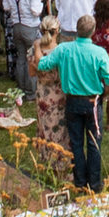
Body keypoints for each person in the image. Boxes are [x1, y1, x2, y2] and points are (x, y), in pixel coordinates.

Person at [37, 13, 109, 191]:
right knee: (94, 143)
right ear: (93, 32)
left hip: (72, 102)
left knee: (76, 142)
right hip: (92, 102)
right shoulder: (98, 53)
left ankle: (80, 181)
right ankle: (94, 184)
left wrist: (36, 48)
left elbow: (43, 64)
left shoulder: (64, 49)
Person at [0, 0, 46, 91]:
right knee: (31, 59)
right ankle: (31, 90)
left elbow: (6, 6)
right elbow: (36, 11)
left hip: (16, 25)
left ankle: (21, 87)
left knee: (20, 57)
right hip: (30, 26)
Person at [31, 20, 68, 154]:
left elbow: (31, 72)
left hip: (42, 93)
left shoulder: (35, 50)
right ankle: (61, 158)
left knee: (44, 126)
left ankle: (45, 156)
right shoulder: (62, 51)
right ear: (57, 31)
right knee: (60, 127)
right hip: (58, 94)